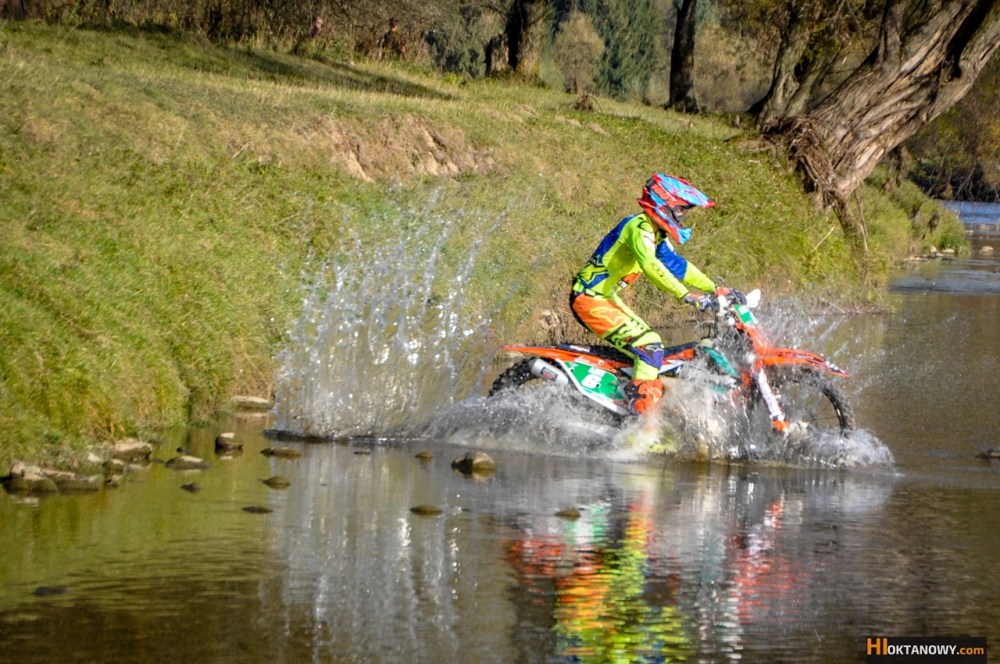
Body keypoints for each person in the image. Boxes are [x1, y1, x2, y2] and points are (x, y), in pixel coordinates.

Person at [570, 172, 718, 415]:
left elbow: (677, 265)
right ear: (664, 204)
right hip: (590, 299)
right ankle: (642, 425)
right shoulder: (638, 227)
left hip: (606, 298)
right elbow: (651, 265)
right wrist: (686, 295)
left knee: (652, 350)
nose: (682, 216)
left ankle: (632, 401)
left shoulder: (655, 232)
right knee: (650, 346)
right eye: (680, 210)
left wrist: (714, 288)